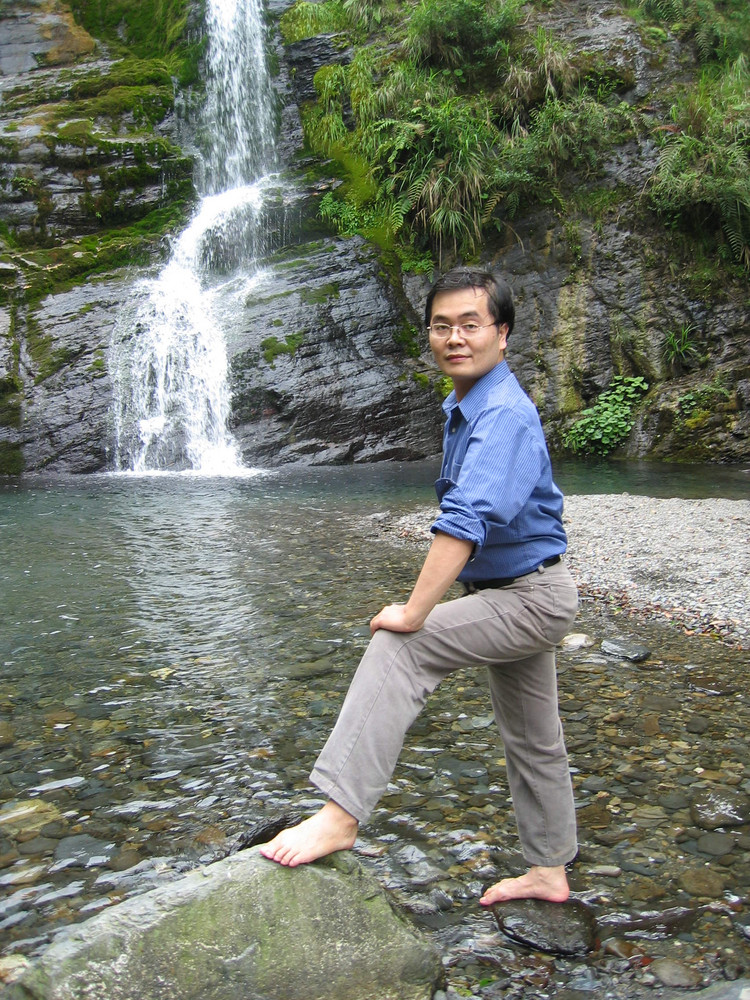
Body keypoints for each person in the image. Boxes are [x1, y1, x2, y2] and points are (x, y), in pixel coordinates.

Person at [261, 266, 579, 905]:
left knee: (402, 646)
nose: (454, 338)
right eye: (441, 326)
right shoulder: (470, 403)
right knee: (533, 736)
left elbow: (465, 519)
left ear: (503, 334)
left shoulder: (502, 414)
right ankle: (549, 870)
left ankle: (339, 815)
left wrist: (413, 612)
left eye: (470, 324)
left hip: (530, 598)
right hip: (518, 592)